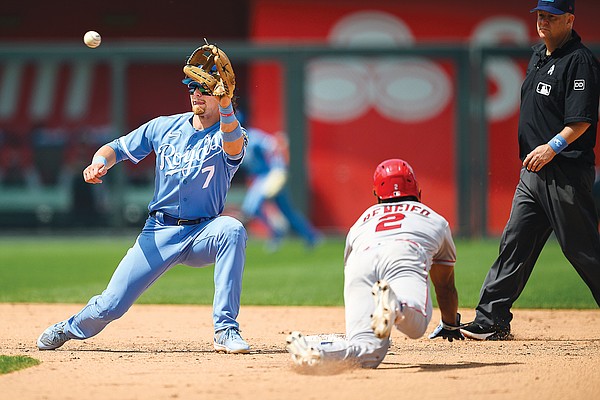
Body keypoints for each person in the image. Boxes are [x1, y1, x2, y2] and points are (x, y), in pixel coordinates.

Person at [36, 45, 252, 354]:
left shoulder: (230, 131)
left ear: (220, 94)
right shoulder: (165, 126)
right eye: (191, 87)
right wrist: (99, 162)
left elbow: (232, 147)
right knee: (110, 306)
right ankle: (68, 329)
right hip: (159, 231)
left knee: (232, 229)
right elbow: (118, 148)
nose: (195, 93)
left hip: (204, 231)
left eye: (204, 88)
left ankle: (225, 330)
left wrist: (228, 107)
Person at [461, 0, 600, 341]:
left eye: (551, 17)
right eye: (540, 15)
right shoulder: (540, 55)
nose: (543, 22)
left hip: (564, 170)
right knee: (515, 242)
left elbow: (581, 120)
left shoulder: (579, 61)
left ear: (569, 20)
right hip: (533, 173)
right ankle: (491, 318)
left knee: (581, 249)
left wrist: (551, 147)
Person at [286, 159, 463, 369]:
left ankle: (316, 350)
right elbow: (444, 286)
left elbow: (349, 268)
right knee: (415, 329)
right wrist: (450, 324)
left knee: (367, 352)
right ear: (417, 189)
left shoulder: (361, 221)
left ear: (377, 194)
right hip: (404, 253)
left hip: (360, 262)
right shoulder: (436, 220)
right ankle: (395, 306)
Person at [240, 127, 321, 250]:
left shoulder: (252, 136)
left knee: (254, 208)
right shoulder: (228, 141)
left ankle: (308, 236)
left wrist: (279, 169)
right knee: (258, 209)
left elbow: (273, 146)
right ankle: (286, 233)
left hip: (269, 175)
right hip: (261, 177)